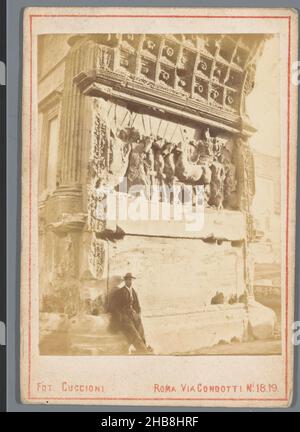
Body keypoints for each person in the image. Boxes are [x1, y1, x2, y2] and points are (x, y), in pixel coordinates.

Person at [109, 273, 152, 354]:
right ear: (125, 281)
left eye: (131, 280)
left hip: (133, 314)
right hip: (124, 316)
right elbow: (115, 306)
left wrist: (138, 314)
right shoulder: (120, 292)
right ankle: (142, 350)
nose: (129, 281)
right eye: (128, 280)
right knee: (133, 331)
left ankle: (144, 346)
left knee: (140, 328)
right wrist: (121, 316)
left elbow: (137, 304)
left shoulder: (133, 291)